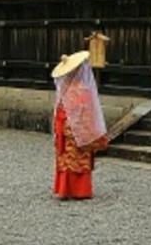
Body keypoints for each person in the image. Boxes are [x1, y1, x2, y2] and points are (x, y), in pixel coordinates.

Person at [51, 51, 108, 200]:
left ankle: (64, 189)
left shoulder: (64, 88)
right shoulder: (83, 89)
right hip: (80, 127)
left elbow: (60, 110)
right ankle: (80, 190)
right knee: (79, 157)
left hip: (64, 128)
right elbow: (89, 110)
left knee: (66, 157)